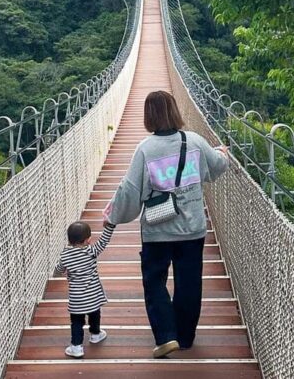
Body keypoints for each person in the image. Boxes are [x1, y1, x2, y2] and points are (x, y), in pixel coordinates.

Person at [105, 90, 229, 358]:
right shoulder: (194, 141)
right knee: (189, 282)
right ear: (174, 111)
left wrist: (113, 215)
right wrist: (222, 153)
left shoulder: (145, 149)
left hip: (157, 230)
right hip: (193, 228)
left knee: (154, 282)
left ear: (148, 116)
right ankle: (185, 337)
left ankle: (166, 336)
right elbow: (218, 166)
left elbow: (130, 190)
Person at [56, 220, 115, 358]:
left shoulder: (65, 256)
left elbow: (59, 270)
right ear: (88, 240)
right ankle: (95, 334)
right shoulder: (91, 251)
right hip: (93, 296)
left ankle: (76, 347)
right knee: (95, 315)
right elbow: (103, 241)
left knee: (76, 321)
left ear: (69, 240)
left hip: (76, 299)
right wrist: (110, 226)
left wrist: (61, 270)